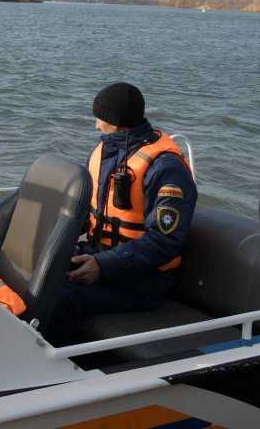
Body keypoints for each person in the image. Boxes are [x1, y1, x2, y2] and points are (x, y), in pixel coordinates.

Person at [46, 82, 197, 346]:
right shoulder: (106, 151)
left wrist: (103, 267)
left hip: (142, 283)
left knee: (57, 297)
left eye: (100, 118)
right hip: (100, 258)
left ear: (118, 123)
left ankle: (58, 372)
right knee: (37, 273)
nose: (96, 125)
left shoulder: (166, 168)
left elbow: (165, 241)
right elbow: (85, 210)